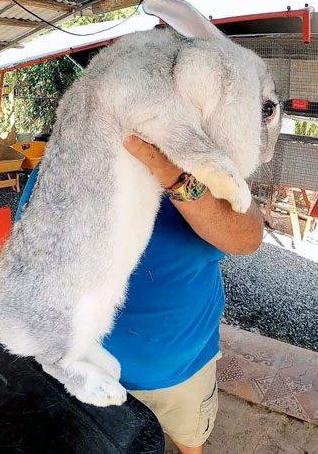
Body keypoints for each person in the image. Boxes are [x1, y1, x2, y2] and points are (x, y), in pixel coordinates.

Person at [17, 133, 264, 454]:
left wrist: (172, 174)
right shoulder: (64, 166)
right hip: (91, 373)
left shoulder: (204, 164)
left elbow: (248, 239)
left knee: (190, 441)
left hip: (182, 374)